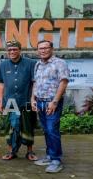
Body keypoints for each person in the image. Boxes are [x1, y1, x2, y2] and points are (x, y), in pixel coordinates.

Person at [31, 40, 69, 173]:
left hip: (52, 102)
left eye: (46, 48)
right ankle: (49, 155)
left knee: (52, 130)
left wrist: (54, 102)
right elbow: (35, 83)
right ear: (37, 50)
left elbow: (63, 83)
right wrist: (33, 99)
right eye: (40, 48)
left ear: (51, 49)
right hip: (40, 101)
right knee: (46, 130)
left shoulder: (59, 63)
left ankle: (56, 160)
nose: (43, 50)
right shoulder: (38, 64)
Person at [0, 40, 38, 161]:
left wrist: (33, 98)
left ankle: (30, 151)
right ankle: (11, 151)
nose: (12, 52)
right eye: (10, 50)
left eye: (15, 49)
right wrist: (0, 99)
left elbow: (35, 82)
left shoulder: (31, 63)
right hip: (9, 101)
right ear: (7, 52)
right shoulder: (2, 65)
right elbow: (0, 83)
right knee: (10, 126)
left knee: (28, 126)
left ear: (20, 50)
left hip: (26, 100)